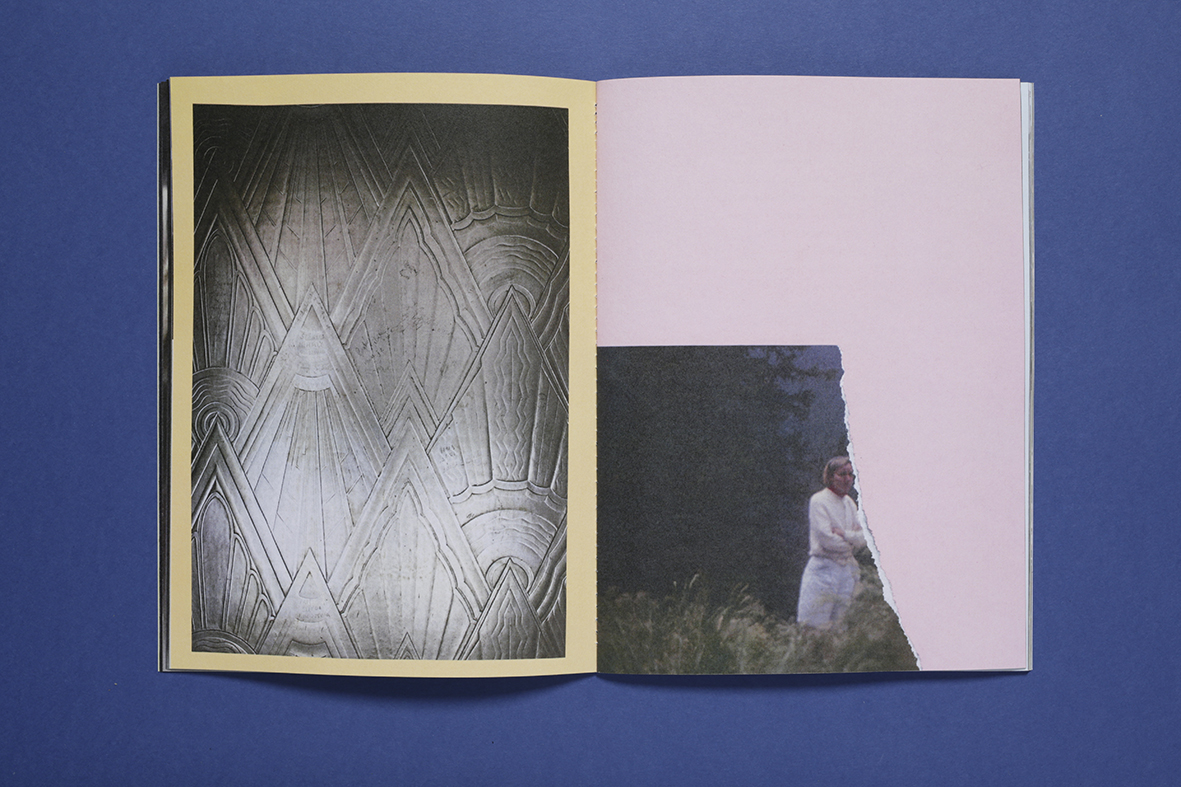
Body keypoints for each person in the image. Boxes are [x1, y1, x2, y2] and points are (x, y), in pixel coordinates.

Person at [796, 456, 867, 628]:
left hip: (846, 571)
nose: (847, 479)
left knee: (841, 626)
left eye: (850, 474)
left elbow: (864, 538)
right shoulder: (819, 501)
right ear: (830, 476)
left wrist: (845, 535)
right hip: (823, 569)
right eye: (842, 474)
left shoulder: (850, 504)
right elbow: (827, 541)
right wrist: (852, 541)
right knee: (813, 625)